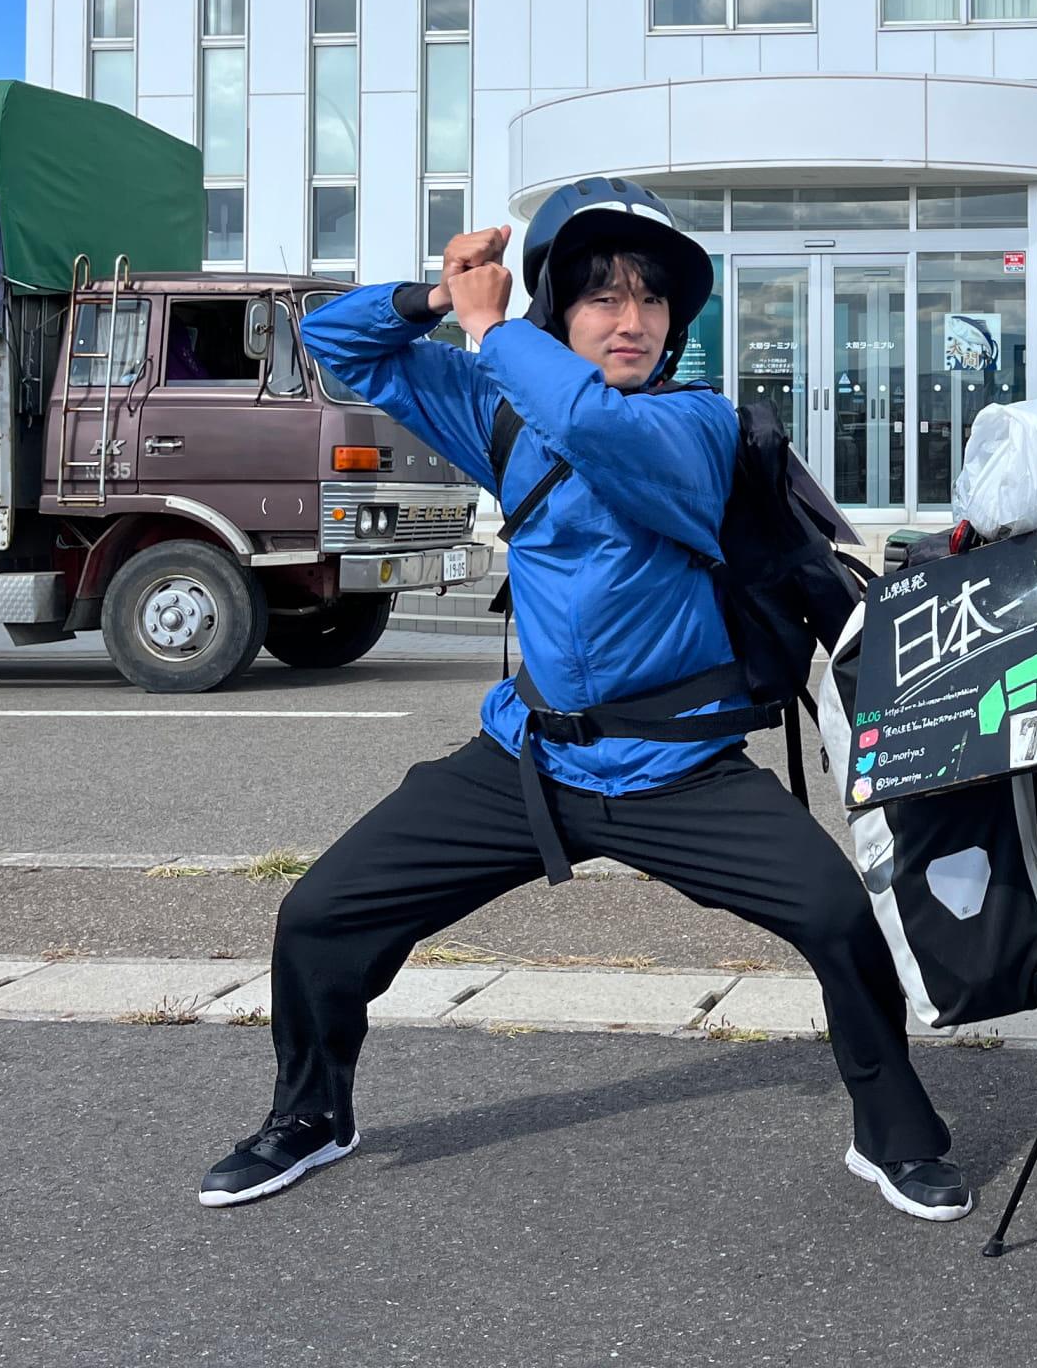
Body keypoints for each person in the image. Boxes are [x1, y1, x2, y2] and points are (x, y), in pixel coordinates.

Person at [197, 177, 969, 1221]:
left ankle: (896, 1134)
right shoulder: (500, 409)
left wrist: (491, 328)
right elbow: (339, 342)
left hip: (676, 770)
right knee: (320, 914)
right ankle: (313, 1113)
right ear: (559, 307)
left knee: (837, 919)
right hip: (529, 762)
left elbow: (596, 428)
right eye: (603, 296)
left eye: (652, 301)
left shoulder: (695, 425)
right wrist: (434, 301)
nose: (632, 320)